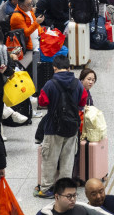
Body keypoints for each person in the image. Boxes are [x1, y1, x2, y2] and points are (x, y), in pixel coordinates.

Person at [37, 55, 87, 197]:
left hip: (53, 128)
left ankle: (46, 190)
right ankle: (65, 190)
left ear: (54, 68)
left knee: (50, 159)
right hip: (72, 128)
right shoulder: (78, 84)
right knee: (68, 160)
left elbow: (42, 102)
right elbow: (82, 103)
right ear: (69, 67)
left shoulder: (50, 84)